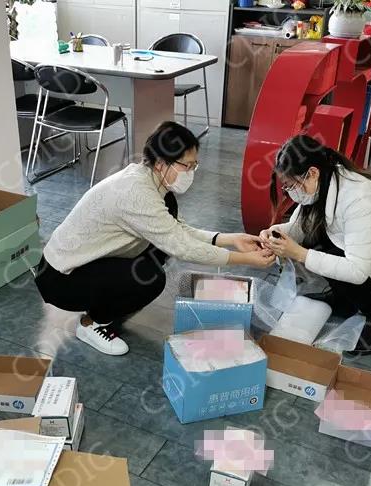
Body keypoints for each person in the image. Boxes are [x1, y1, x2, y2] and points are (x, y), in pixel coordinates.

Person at [35, 121, 275, 356]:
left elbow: (179, 230)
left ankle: (110, 298)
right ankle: (91, 323)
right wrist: (245, 259)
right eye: (186, 166)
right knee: (150, 278)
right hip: (60, 278)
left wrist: (232, 239)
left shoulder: (153, 182)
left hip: (84, 261)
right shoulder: (137, 194)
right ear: (161, 163)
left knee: (159, 247)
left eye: (195, 165)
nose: (191, 173)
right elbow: (182, 247)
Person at [261, 135, 371, 355]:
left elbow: (357, 271)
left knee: (323, 254)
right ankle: (344, 299)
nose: (290, 192)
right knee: (319, 242)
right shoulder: (325, 181)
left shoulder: (359, 199)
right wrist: (278, 233)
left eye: (292, 185)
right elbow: (302, 226)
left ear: (312, 173)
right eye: (287, 187)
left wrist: (299, 253)